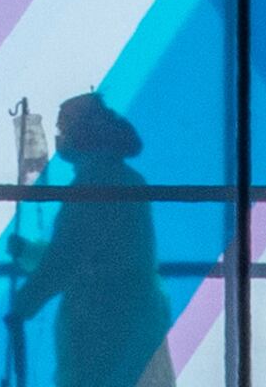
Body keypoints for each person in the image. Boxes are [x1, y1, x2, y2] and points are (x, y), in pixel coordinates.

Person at [9, 92, 176, 387]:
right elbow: (90, 253)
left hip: (107, 329)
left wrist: (23, 304)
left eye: (65, 127)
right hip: (130, 325)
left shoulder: (98, 181)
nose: (59, 136)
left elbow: (68, 257)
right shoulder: (123, 178)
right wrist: (29, 253)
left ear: (85, 132)